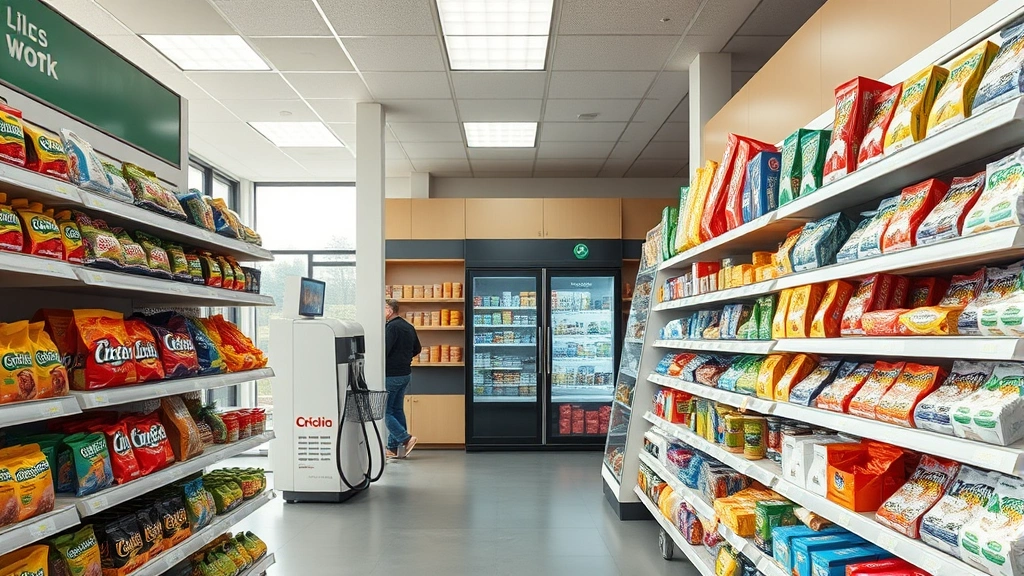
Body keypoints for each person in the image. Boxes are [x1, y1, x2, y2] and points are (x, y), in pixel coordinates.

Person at [384, 298, 421, 458]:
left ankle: (406, 439)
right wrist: (404, 359)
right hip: (405, 374)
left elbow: (384, 351)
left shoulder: (391, 328)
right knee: (397, 409)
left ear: (389, 310)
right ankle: (394, 449)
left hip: (391, 375)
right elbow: (417, 348)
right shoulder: (408, 326)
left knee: (386, 412)